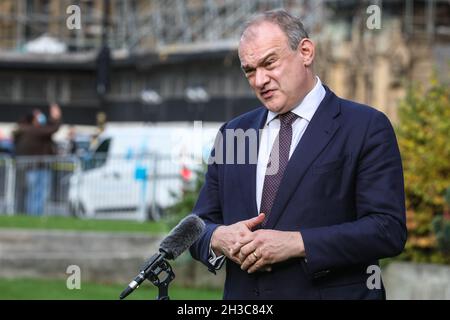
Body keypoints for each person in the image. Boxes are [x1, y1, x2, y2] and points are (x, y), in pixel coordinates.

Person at [189, 10, 406, 300]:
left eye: (269, 63)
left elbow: (387, 229)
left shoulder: (366, 127)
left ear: (305, 52)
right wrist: (219, 238)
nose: (259, 80)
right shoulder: (234, 134)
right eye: (249, 70)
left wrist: (297, 243)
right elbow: (198, 226)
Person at [13, 103, 62, 215]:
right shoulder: (33, 131)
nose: (41, 118)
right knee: (37, 195)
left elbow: (47, 130)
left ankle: (29, 215)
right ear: (33, 119)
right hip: (37, 168)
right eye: (38, 116)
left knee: (31, 194)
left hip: (30, 168)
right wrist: (56, 118)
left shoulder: (23, 129)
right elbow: (51, 129)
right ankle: (34, 216)